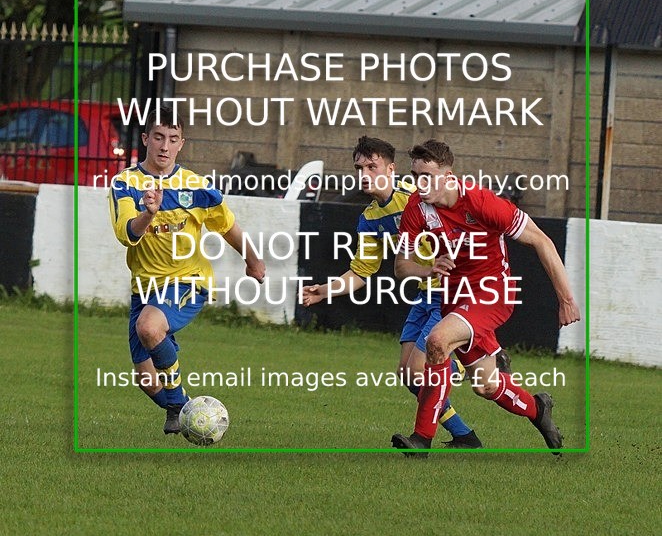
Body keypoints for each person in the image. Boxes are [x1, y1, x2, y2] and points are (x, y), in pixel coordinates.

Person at [391, 139, 580, 456]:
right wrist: (427, 269)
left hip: (493, 293)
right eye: (415, 176)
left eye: (427, 176)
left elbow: (542, 241)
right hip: (455, 300)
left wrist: (566, 299)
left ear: (449, 177)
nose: (419, 184)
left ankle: (421, 439)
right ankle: (538, 409)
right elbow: (401, 266)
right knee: (486, 385)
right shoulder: (416, 207)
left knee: (437, 342)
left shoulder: (481, 202)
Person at [301, 135, 481, 448]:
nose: (364, 174)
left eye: (372, 166)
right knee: (409, 376)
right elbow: (361, 272)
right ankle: (465, 435)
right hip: (425, 293)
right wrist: (324, 291)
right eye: (359, 168)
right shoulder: (370, 219)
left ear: (392, 168)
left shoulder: (417, 193)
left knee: (419, 368)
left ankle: (469, 358)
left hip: (452, 289)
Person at [109, 107, 265, 435]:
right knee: (145, 378)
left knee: (149, 327)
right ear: (145, 139)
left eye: (173, 139)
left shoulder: (196, 186)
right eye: (159, 137)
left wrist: (253, 260)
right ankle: (189, 414)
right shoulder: (126, 183)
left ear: (182, 143)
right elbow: (127, 234)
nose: (165, 146)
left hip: (188, 281)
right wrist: (148, 213)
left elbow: (229, 227)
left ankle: (180, 405)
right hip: (145, 288)